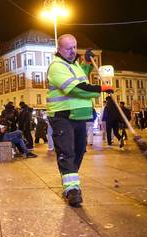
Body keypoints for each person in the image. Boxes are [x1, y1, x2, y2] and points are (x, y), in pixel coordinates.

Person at [46, 34, 114, 207]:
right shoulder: (56, 66)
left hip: (78, 115)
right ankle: (72, 190)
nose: (72, 51)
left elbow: (81, 76)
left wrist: (87, 63)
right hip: (62, 116)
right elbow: (76, 89)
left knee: (79, 150)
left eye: (75, 47)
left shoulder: (74, 65)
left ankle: (71, 179)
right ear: (59, 49)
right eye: (69, 48)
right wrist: (101, 88)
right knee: (67, 151)